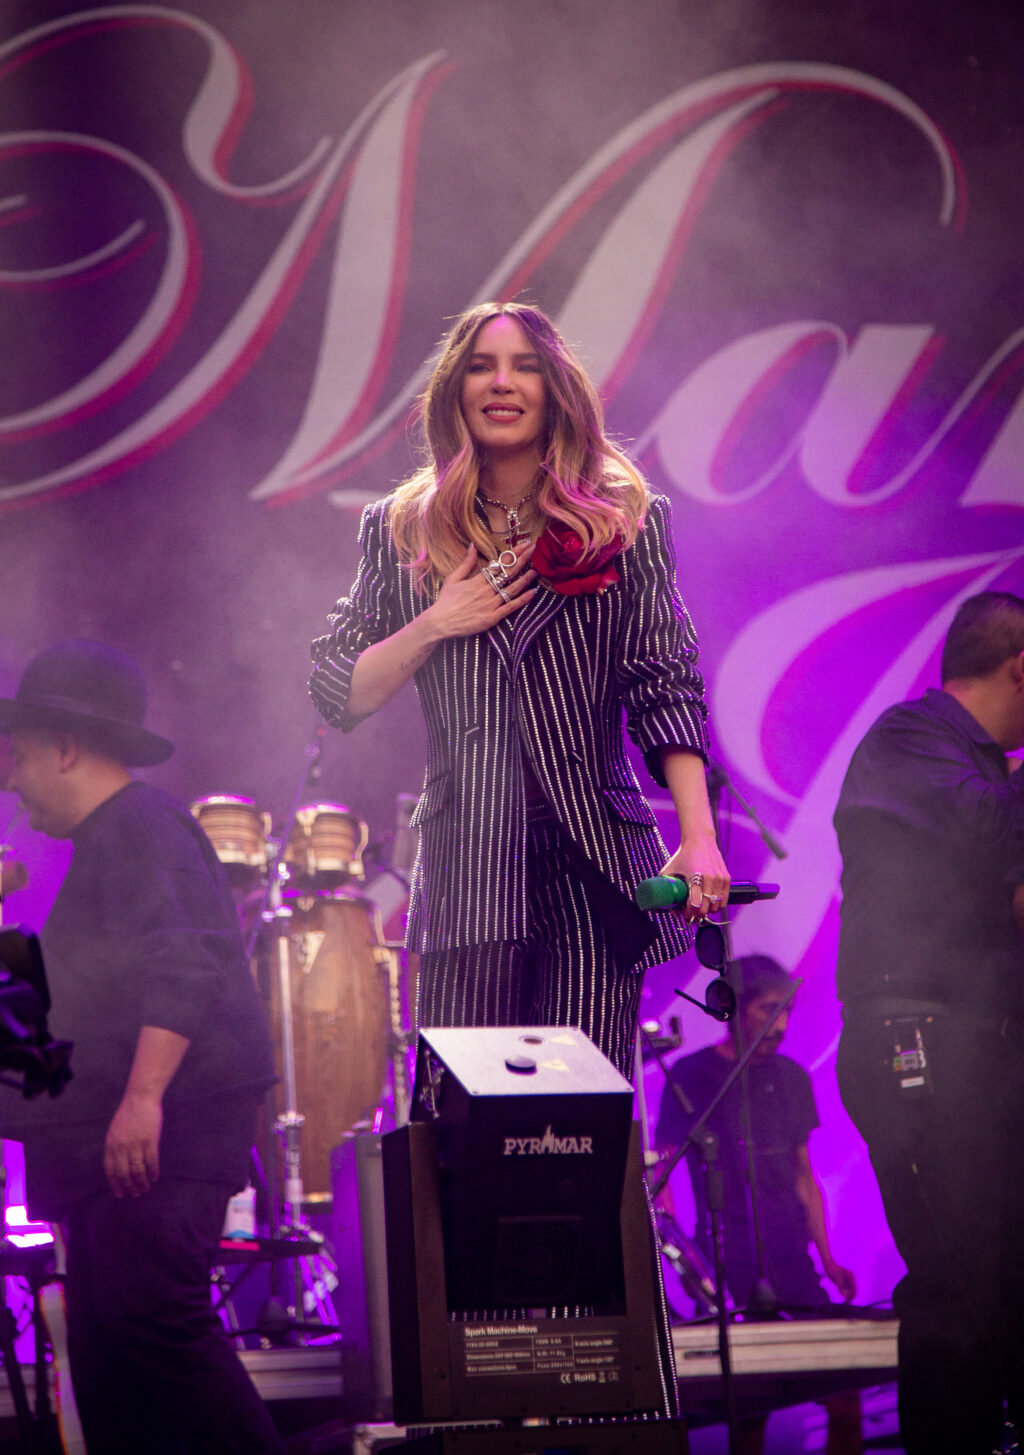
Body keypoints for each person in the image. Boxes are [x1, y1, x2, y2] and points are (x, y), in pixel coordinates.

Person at [309, 300, 729, 1083]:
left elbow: (665, 679)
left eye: (524, 365)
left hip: (591, 863)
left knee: (583, 1123)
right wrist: (435, 622)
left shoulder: (625, 520)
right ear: (454, 391)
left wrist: (699, 836)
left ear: (554, 388)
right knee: (462, 1131)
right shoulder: (403, 528)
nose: (502, 383)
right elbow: (339, 690)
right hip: (469, 866)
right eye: (480, 365)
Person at [0, 640, 282, 1455]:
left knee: (155, 1327)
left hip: (166, 1127)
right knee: (104, 1351)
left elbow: (184, 959)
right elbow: (73, 1002)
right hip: (98, 1142)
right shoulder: (95, 849)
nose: (10, 779)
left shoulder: (146, 827)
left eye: (17, 757)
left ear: (64, 747)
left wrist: (143, 1098)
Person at [834, 590, 1024, 1455]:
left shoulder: (986, 770)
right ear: (1020, 668)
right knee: (960, 1284)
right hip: (916, 1039)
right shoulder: (909, 738)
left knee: (1001, 1280)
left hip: (978, 1044)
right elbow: (983, 830)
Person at [655, 954, 860, 1455]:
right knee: (750, 1405)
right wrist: (685, 1260)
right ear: (737, 1009)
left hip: (793, 1256)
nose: (781, 1025)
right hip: (730, 1257)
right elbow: (662, 1171)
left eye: (787, 1011)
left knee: (843, 1393)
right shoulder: (694, 1073)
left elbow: (802, 1175)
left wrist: (828, 1257)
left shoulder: (792, 1077)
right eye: (770, 1009)